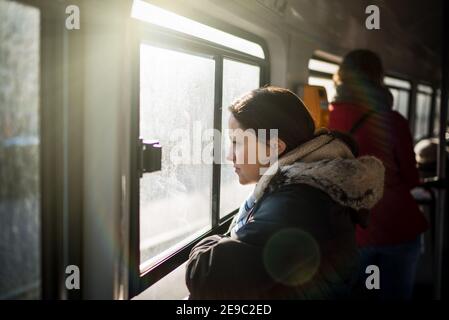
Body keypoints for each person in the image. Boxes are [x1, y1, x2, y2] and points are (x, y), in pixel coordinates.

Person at [185, 86, 385, 299]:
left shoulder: (297, 203)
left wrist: (209, 243)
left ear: (274, 148)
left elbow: (208, 276)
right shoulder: (308, 187)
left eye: (236, 142)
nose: (229, 155)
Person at [328, 49, 429, 299]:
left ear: (341, 76)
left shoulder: (325, 117)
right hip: (399, 227)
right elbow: (411, 178)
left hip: (351, 232)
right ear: (378, 78)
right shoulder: (393, 120)